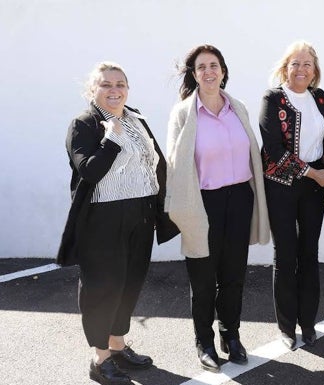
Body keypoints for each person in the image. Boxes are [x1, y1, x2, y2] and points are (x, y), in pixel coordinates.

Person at [57, 62, 179, 385]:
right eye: (106, 85)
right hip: (103, 219)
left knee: (130, 282)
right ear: (92, 91)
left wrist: (162, 205)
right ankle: (100, 359)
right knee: (102, 287)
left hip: (141, 214)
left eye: (120, 84)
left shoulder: (136, 118)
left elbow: (155, 163)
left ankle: (118, 345)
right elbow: (90, 171)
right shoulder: (84, 124)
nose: (114, 91)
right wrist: (111, 140)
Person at [165, 44, 271, 373]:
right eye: (201, 67)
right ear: (194, 75)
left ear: (223, 71)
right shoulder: (183, 112)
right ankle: (204, 341)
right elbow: (175, 165)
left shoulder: (237, 107)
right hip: (202, 203)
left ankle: (231, 335)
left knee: (234, 275)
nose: (209, 71)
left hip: (240, 198)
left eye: (214, 65)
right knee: (203, 278)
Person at [259, 40, 324, 350]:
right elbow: (274, 150)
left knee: (309, 253)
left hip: (313, 187)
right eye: (296, 63)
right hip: (282, 184)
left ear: (314, 70)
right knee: (286, 254)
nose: (302, 69)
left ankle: (308, 322)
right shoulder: (273, 98)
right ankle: (286, 327)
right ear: (285, 67)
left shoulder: (319, 97)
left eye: (307, 64)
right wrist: (314, 174)